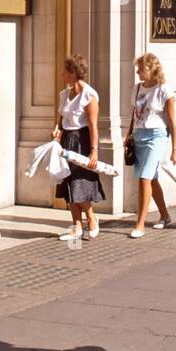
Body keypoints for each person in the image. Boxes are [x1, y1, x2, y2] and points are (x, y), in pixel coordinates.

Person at [52, 54, 105, 241]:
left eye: (65, 72)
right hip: (66, 140)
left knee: (79, 183)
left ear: (74, 73)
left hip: (82, 140)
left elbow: (93, 125)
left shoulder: (89, 95)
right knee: (68, 182)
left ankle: (91, 219)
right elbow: (61, 119)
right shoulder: (64, 95)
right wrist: (58, 130)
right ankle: (76, 225)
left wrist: (94, 150)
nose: (62, 75)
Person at [129, 53, 176, 238]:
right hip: (139, 136)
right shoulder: (137, 88)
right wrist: (129, 135)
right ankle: (165, 216)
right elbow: (134, 113)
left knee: (144, 179)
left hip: (157, 136)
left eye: (140, 68)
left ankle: (140, 224)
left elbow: (172, 121)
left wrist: (175, 149)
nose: (137, 71)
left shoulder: (164, 90)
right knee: (152, 178)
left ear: (151, 69)